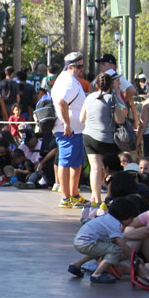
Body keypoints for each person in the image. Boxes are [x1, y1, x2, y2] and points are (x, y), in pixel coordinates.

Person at [68, 194, 145, 283]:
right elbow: (123, 246)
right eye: (131, 218)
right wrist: (135, 258)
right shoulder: (114, 224)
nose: (132, 221)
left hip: (80, 241)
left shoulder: (108, 219)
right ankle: (97, 274)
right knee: (115, 250)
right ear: (124, 216)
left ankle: (76, 264)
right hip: (86, 243)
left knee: (101, 249)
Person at [80, 72, 124, 208]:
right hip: (107, 139)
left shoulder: (89, 98)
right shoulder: (112, 99)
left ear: (96, 84)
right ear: (111, 85)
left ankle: (96, 198)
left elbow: (82, 119)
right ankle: (109, 197)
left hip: (89, 136)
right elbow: (120, 119)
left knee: (95, 168)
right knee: (110, 170)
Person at [52, 52, 88, 208]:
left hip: (75, 129)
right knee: (66, 161)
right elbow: (61, 102)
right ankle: (65, 197)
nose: (82, 69)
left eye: (82, 66)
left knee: (75, 162)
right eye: (78, 67)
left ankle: (73, 194)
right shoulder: (68, 81)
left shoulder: (71, 80)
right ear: (69, 66)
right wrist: (66, 123)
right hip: (67, 129)